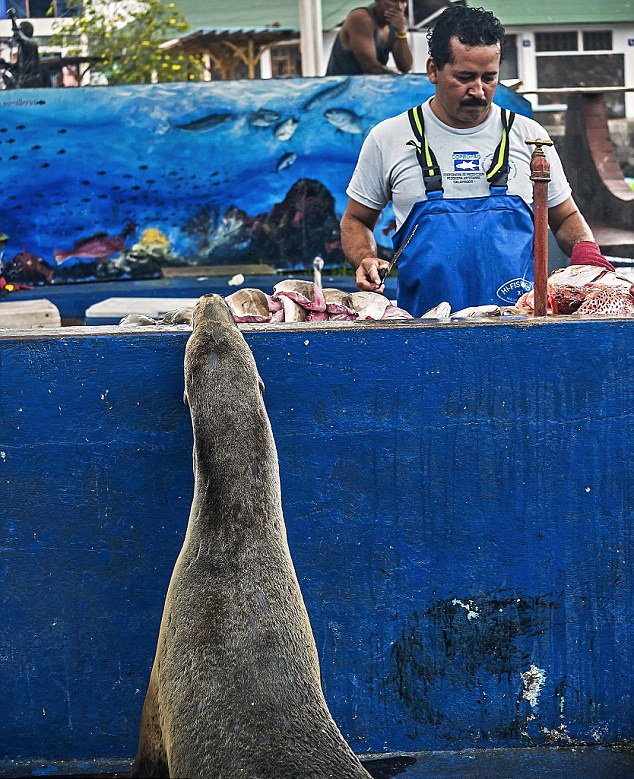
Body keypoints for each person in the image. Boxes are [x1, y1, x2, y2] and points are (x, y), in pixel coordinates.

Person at [340, 4, 614, 315]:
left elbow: (564, 217)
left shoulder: (530, 136)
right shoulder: (388, 137)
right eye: (465, 77)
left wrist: (586, 253)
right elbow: (356, 219)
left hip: (518, 328)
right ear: (433, 70)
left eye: (489, 78)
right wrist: (365, 256)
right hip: (422, 332)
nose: (478, 91)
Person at [325, 0, 413, 76]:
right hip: (340, 91)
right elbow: (370, 67)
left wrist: (401, 33)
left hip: (366, 90)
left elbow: (405, 67)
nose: (399, 7)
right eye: (393, 1)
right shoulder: (361, 18)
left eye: (403, 1)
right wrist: (394, 74)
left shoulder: (393, 26)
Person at [0, 8, 44, 89]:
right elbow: (18, 66)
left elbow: (17, 35)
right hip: (23, 80)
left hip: (31, 80)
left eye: (21, 29)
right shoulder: (22, 47)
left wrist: (12, 18)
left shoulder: (31, 43)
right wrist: (6, 64)